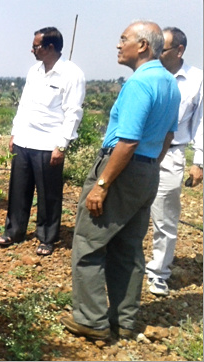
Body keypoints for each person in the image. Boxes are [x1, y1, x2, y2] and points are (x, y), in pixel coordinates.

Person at [61, 21, 181, 341]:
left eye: (124, 39)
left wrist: (102, 184)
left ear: (142, 46)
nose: (118, 45)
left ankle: (91, 320)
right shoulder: (169, 83)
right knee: (128, 249)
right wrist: (149, 166)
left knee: (88, 244)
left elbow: (127, 141)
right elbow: (169, 133)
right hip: (147, 170)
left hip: (123, 167)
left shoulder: (140, 84)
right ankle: (124, 321)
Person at [0, 27, 86, 256]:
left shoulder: (71, 74)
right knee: (18, 190)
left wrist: (62, 144)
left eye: (36, 46)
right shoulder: (34, 71)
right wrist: (15, 133)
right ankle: (14, 231)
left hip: (49, 144)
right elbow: (24, 105)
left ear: (50, 48)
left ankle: (47, 237)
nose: (32, 49)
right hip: (25, 140)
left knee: (48, 194)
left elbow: (73, 112)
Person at [146, 27, 203, 296]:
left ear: (179, 50)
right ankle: (128, 266)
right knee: (130, 209)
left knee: (166, 217)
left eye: (163, 49)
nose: (157, 53)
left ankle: (158, 272)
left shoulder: (196, 80)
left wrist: (199, 161)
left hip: (172, 153)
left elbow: (201, 122)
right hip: (141, 150)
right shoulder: (148, 73)